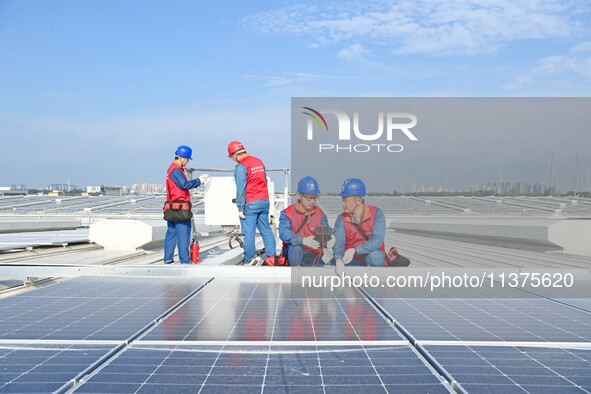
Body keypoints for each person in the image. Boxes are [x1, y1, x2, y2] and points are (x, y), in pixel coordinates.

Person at [228, 140, 276, 265]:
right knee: (266, 230)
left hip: (250, 203)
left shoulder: (241, 166)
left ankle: (250, 259)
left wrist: (240, 207)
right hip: (264, 201)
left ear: (234, 155)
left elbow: (241, 188)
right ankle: (272, 257)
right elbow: (264, 180)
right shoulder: (259, 162)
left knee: (248, 233)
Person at [164, 145, 209, 264]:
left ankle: (168, 259)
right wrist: (200, 180)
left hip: (171, 206)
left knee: (171, 233)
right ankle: (185, 261)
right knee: (183, 234)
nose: (188, 162)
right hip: (180, 208)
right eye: (188, 159)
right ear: (182, 158)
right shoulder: (176, 170)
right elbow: (184, 185)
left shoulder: (171, 169)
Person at [332, 178, 386, 267]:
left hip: (368, 257)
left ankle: (374, 279)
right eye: (342, 200)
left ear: (358, 201)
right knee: (328, 268)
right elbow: (339, 243)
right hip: (350, 259)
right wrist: (338, 259)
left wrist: (355, 250)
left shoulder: (377, 214)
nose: (343, 204)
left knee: (376, 257)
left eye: (346, 200)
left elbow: (376, 241)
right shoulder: (341, 219)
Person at [279, 176, 329, 266]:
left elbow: (326, 231)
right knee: (296, 247)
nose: (312, 201)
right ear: (299, 195)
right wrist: (303, 240)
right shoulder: (288, 213)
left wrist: (324, 238)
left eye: (315, 198)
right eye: (308, 198)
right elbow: (283, 233)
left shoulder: (321, 214)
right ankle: (294, 276)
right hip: (294, 253)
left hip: (313, 253)